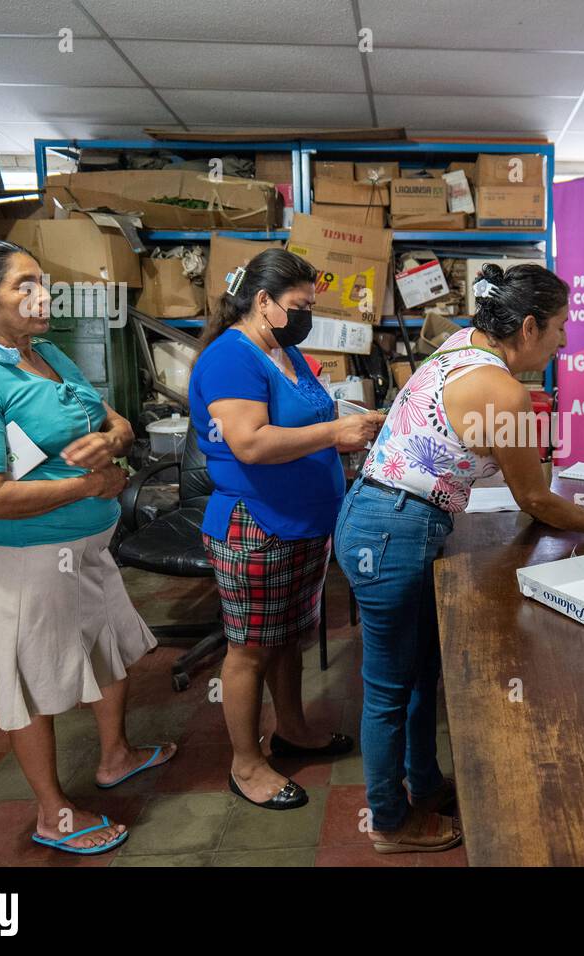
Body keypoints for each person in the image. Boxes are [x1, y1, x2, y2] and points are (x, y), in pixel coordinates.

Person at [335, 262, 584, 854]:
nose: (564, 341)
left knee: (421, 671)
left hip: (387, 520)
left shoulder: (464, 343)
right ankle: (388, 820)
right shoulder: (503, 391)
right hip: (391, 532)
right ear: (529, 326)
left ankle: (424, 784)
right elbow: (533, 497)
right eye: (559, 328)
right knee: (388, 687)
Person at [0, 239, 173, 856]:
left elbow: (112, 419)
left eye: (44, 281)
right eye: (24, 285)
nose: (43, 295)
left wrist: (113, 436)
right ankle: (51, 812)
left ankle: (114, 756)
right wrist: (93, 483)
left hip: (90, 543)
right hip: (29, 558)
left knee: (108, 647)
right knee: (32, 682)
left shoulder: (44, 351)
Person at [188, 249, 383, 811]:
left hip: (302, 524)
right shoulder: (232, 358)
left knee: (287, 637)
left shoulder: (285, 351)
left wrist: (347, 419)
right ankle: (246, 764)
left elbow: (304, 415)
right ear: (263, 301)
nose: (307, 315)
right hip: (257, 525)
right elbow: (249, 442)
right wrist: (334, 435)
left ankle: (292, 729)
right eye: (298, 305)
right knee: (249, 649)